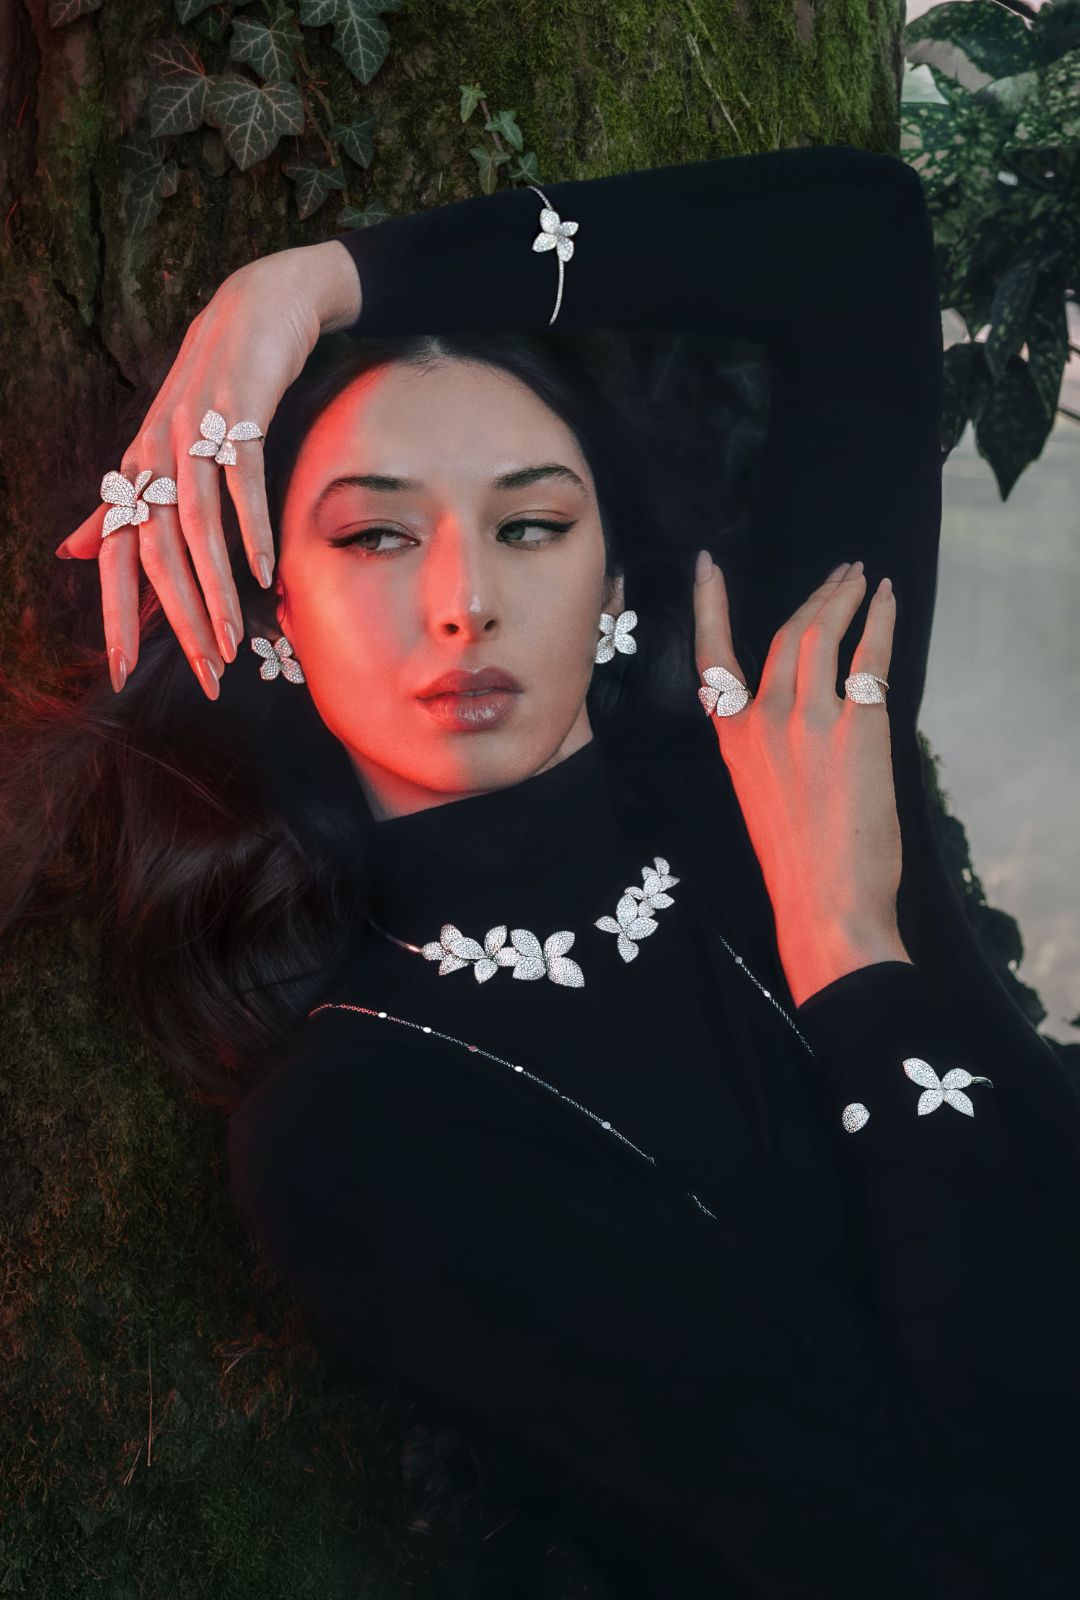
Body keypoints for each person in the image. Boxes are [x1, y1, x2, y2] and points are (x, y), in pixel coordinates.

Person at [14, 146, 1080, 1597]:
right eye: (378, 534)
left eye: (532, 524)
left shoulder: (790, 741)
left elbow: (856, 234)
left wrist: (316, 285)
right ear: (276, 618)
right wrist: (848, 950)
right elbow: (982, 1545)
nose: (466, 602)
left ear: (615, 588)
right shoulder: (357, 1132)